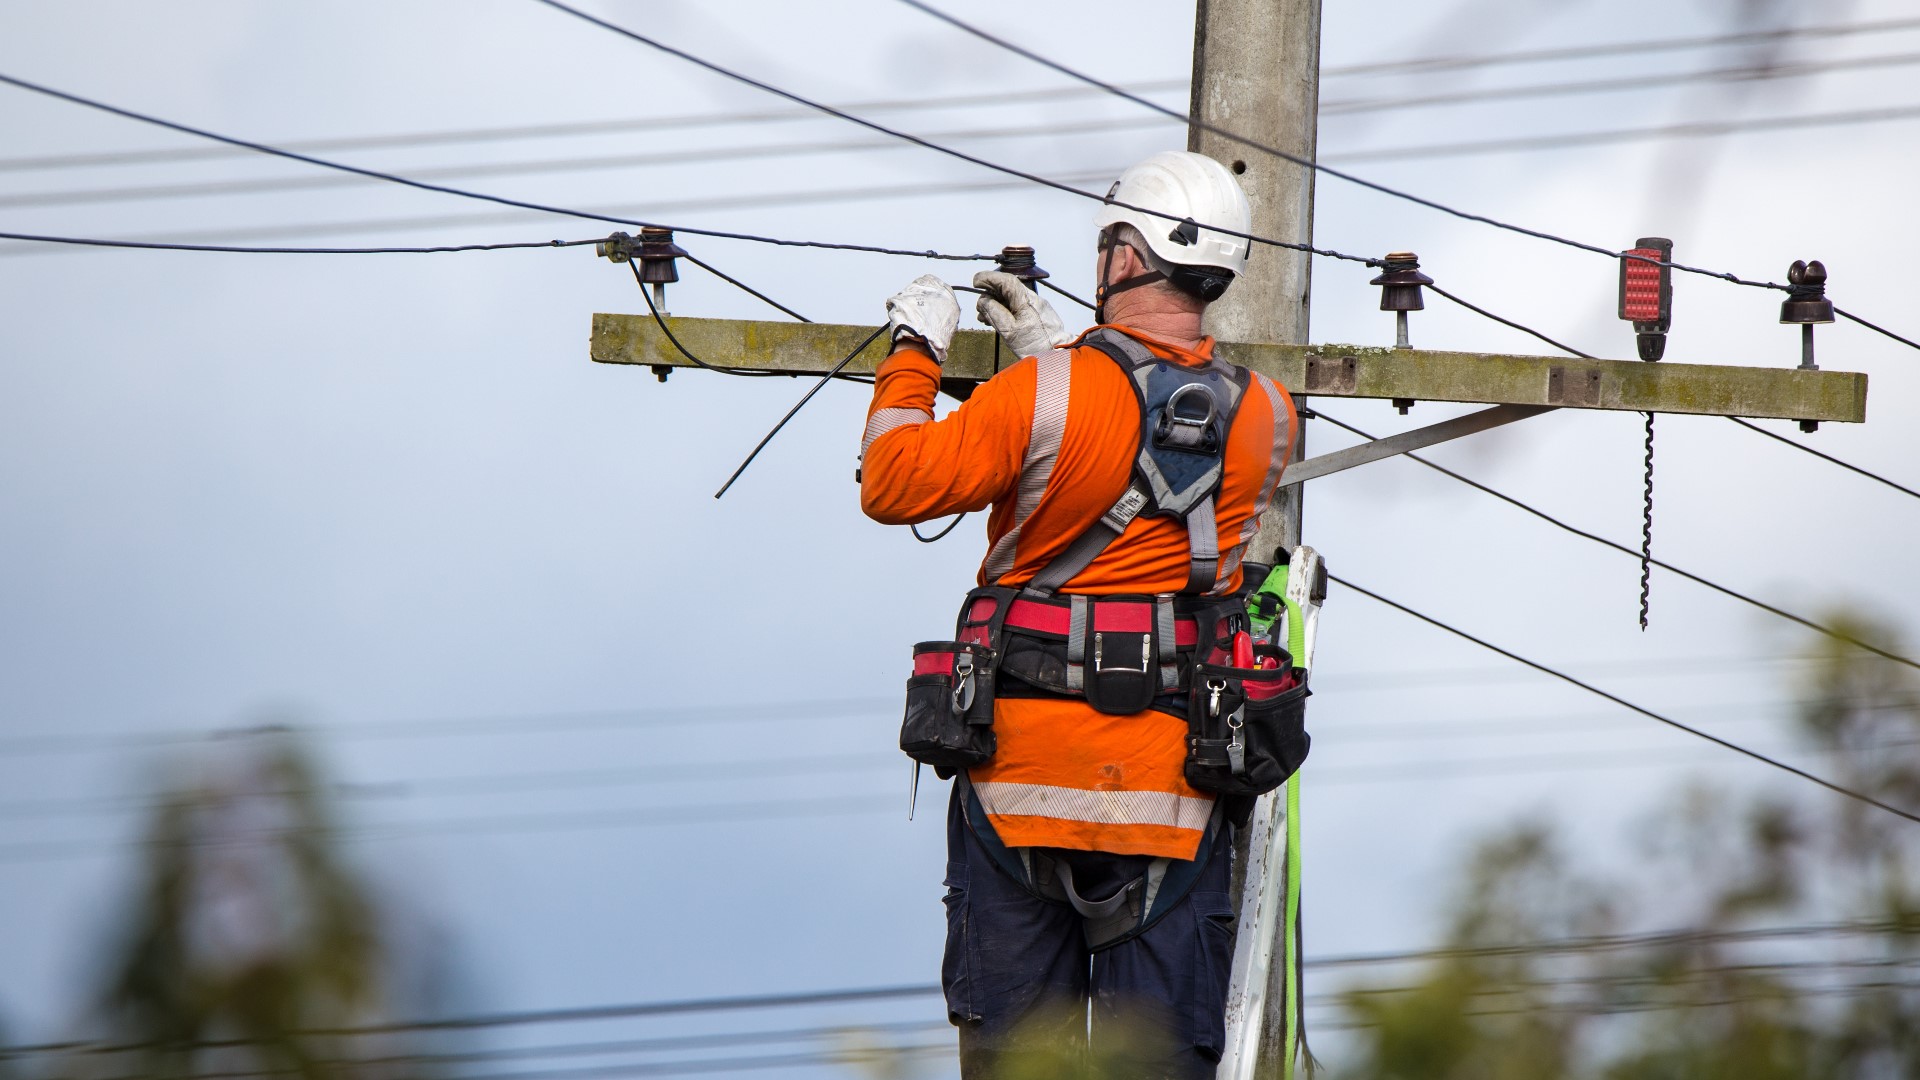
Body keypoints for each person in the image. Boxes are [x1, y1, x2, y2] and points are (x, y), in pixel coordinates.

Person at [859, 151, 1300, 1078]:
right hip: (1172, 804)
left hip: (1016, 790)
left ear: (1130, 256)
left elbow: (895, 482)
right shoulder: (1266, 413)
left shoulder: (1042, 394)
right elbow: (1154, 450)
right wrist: (1054, 366)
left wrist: (912, 354)